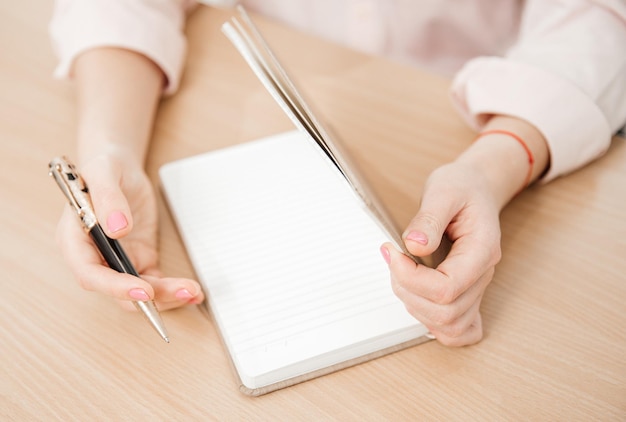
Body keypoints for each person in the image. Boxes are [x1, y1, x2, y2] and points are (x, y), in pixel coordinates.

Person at [49, 0, 626, 346]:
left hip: (484, 110)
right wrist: (111, 150)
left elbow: (602, 21)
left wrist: (498, 161)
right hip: (252, 108)